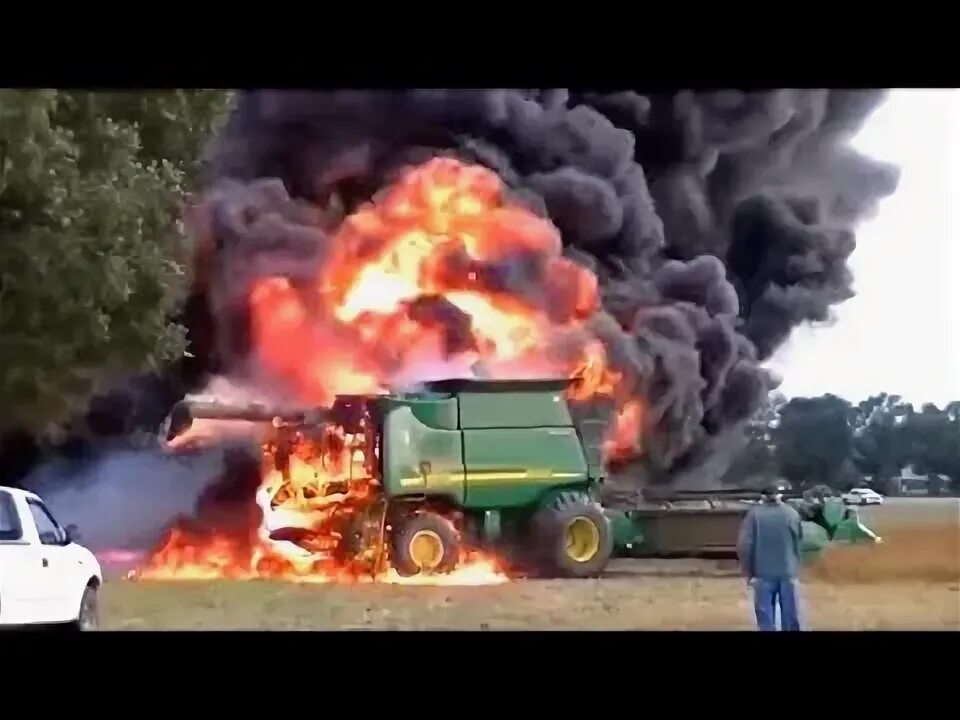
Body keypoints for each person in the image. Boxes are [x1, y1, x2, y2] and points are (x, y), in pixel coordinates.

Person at [736, 481, 804, 631]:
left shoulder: (753, 516)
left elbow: (744, 546)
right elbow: (798, 542)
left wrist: (748, 572)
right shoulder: (791, 513)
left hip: (762, 572)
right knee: (790, 612)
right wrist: (796, 566)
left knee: (765, 614)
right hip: (787, 571)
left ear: (762, 497)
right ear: (779, 496)